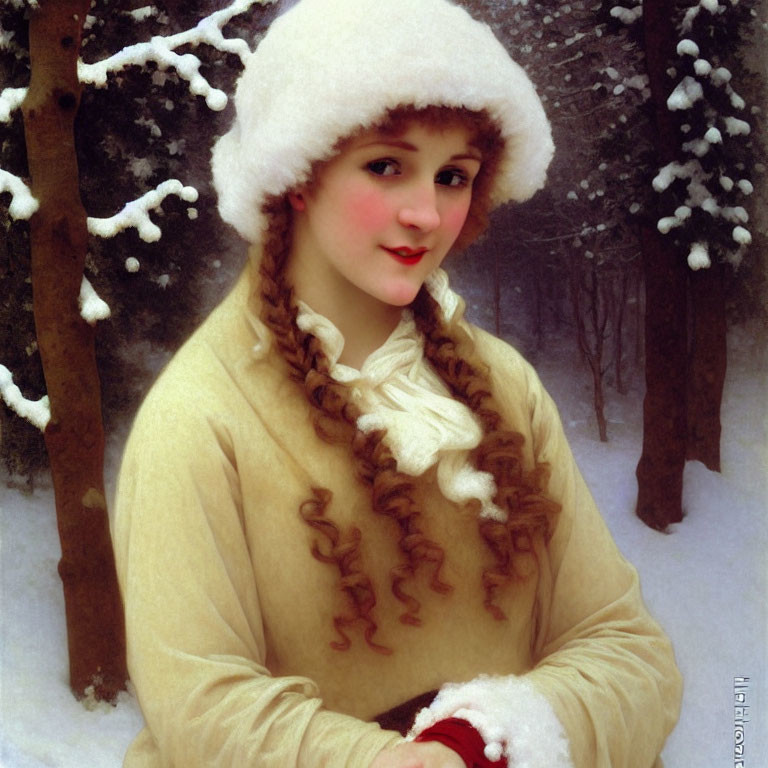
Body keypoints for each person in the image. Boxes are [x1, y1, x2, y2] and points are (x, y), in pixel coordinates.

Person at [112, 0, 682, 766]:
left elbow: (627, 650)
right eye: (387, 165)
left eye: (454, 177)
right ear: (300, 174)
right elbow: (199, 709)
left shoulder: (505, 388)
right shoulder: (200, 416)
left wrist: (489, 737)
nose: (425, 213)